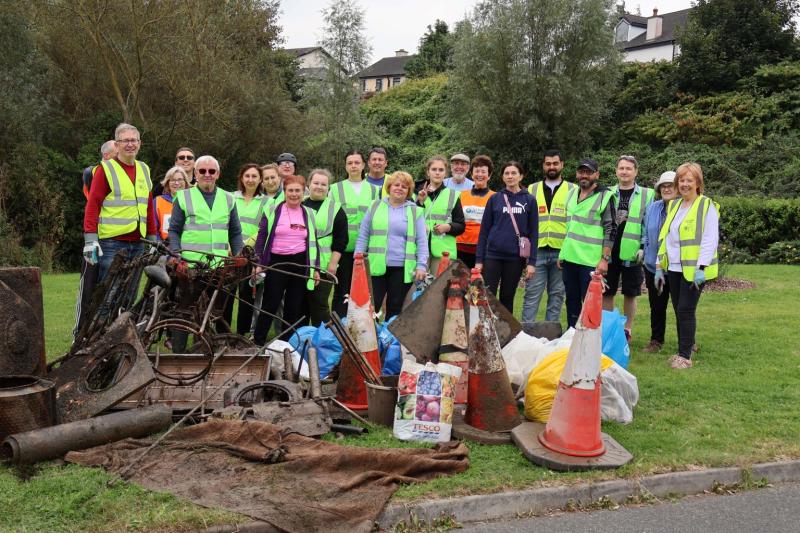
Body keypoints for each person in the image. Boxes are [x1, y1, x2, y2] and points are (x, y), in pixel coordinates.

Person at [168, 155, 244, 351]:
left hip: (219, 267)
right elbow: (174, 231)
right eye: (202, 171)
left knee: (218, 313)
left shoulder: (228, 199)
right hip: (190, 266)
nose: (207, 174)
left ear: (218, 174)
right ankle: (178, 354)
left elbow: (235, 232)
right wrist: (176, 256)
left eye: (212, 171)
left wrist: (239, 255)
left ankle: (217, 352)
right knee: (184, 311)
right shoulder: (183, 197)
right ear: (195, 174)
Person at [656, 163, 718, 369]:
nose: (684, 184)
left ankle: (685, 357)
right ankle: (686, 346)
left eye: (689, 180)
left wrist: (702, 267)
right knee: (679, 309)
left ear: (698, 183)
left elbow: (710, 239)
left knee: (685, 309)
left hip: (695, 270)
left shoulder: (706, 205)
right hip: (674, 267)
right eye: (681, 180)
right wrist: (658, 265)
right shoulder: (674, 205)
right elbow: (666, 237)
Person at [83, 123, 156, 282]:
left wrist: (153, 240)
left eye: (133, 140)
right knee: (109, 292)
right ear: (117, 145)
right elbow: (93, 205)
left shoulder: (144, 169)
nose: (130, 144)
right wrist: (90, 240)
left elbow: (148, 206)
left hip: (139, 243)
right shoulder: (105, 169)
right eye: (125, 141)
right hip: (111, 244)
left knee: (130, 291)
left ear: (139, 143)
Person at [253, 175, 320, 344]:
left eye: (298, 191)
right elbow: (262, 237)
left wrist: (316, 269)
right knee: (270, 304)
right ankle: (258, 341)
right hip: (277, 262)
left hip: (300, 263)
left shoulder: (309, 214)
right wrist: (259, 262)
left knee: (293, 306)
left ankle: (286, 344)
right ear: (284, 191)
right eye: (290, 190)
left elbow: (314, 242)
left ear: (303, 192)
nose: (294, 194)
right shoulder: (272, 210)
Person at [356, 171, 428, 320]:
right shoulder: (375, 206)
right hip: (375, 266)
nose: (399, 188)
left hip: (401, 268)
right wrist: (358, 258)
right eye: (396, 185)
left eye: (404, 186)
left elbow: (421, 241)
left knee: (395, 306)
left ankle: (389, 334)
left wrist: (421, 265)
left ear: (409, 191)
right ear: (389, 187)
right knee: (371, 306)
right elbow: (363, 234)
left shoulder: (415, 211)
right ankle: (370, 334)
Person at [558, 158, 616, 329]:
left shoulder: (605, 196)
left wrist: (605, 259)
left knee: (591, 304)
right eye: (581, 172)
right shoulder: (571, 194)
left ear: (596, 175)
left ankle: (591, 338)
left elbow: (611, 229)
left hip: (591, 261)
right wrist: (562, 253)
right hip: (570, 258)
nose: (584, 175)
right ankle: (571, 335)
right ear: (577, 174)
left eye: (588, 172)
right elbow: (570, 227)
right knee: (572, 301)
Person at [603, 155, 655, 342]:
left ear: (636, 172)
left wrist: (643, 247)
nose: (624, 172)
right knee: (606, 291)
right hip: (609, 251)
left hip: (632, 252)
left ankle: (626, 329)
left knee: (630, 292)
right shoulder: (607, 192)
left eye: (628, 168)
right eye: (621, 168)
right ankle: (609, 329)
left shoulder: (647, 194)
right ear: (616, 171)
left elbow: (648, 223)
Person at [475, 161, 538, 314]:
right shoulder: (495, 199)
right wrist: (479, 260)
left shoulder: (529, 200)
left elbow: (534, 233)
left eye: (514, 173)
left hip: (515, 258)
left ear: (521, 176)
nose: (510, 176)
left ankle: (506, 328)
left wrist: (532, 262)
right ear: (502, 177)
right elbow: (484, 232)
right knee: (487, 296)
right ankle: (485, 327)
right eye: (507, 173)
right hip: (493, 256)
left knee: (507, 298)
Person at [522, 150, 576, 323]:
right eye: (548, 163)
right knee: (531, 295)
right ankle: (526, 333)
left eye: (555, 163)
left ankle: (551, 333)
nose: (552, 166)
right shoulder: (532, 189)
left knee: (557, 296)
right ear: (543, 166)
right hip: (537, 252)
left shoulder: (573, 190)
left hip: (562, 252)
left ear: (562, 165)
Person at [74, 139, 118, 340]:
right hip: (95, 240)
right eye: (117, 153)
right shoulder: (94, 172)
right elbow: (90, 174)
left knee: (112, 289)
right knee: (88, 287)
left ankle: (105, 333)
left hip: (113, 241)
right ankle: (79, 334)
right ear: (107, 156)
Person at [329, 149, 380, 316]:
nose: (353, 166)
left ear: (364, 165)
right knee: (341, 291)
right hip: (342, 248)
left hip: (366, 249)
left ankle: (362, 324)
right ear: (345, 166)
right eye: (350, 163)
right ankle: (339, 324)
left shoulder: (375, 190)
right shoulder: (335, 189)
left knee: (365, 291)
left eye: (357, 162)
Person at [225, 163, 268, 335]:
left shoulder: (267, 202)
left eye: (254, 176)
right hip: (228, 254)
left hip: (250, 255)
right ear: (241, 178)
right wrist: (229, 245)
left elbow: (263, 228)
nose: (250, 180)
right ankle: (224, 333)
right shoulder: (230, 197)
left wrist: (245, 247)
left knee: (246, 298)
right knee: (226, 296)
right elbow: (223, 223)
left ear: (260, 180)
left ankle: (241, 335)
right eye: (247, 176)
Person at [304, 169, 348, 325]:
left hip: (323, 264)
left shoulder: (335, 208)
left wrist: (333, 263)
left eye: (323, 184)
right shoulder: (299, 204)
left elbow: (341, 240)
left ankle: (323, 335)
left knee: (319, 305)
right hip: (301, 262)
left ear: (328, 187)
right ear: (309, 184)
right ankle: (302, 336)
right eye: (316, 183)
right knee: (300, 304)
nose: (319, 187)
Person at [641, 171, 678, 353]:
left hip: (677, 267)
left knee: (682, 307)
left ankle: (687, 342)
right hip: (652, 267)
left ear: (678, 188)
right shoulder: (653, 208)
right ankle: (656, 341)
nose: (666, 189)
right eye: (663, 186)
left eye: (670, 185)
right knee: (656, 306)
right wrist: (645, 250)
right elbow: (646, 233)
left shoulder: (684, 207)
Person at [415, 155, 465, 273]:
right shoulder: (415, 193)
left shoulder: (453, 195)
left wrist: (448, 227)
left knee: (439, 285)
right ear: (428, 172)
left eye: (441, 170)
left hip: (443, 253)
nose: (437, 173)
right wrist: (420, 202)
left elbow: (461, 225)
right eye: (434, 169)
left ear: (445, 173)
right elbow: (409, 220)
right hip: (419, 250)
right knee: (416, 284)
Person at [456, 155, 495, 268]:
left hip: (485, 249)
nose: (480, 174)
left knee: (482, 279)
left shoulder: (495, 197)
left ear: (489, 175)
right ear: (472, 174)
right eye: (477, 171)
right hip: (460, 247)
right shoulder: (461, 195)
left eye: (483, 172)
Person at [154, 166, 191, 242]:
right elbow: (154, 229)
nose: (176, 183)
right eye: (173, 180)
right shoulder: (157, 201)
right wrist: (160, 244)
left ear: (185, 182)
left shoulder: (193, 201)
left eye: (180, 180)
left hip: (188, 246)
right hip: (164, 247)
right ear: (167, 183)